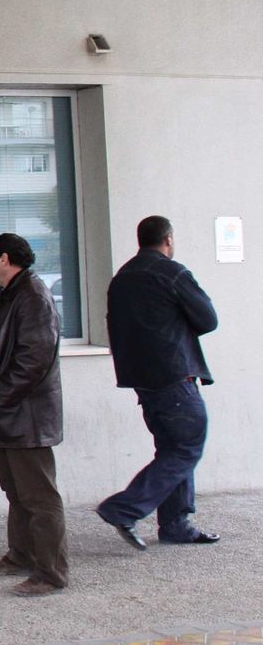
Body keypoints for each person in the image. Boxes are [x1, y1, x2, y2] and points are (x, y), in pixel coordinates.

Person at [97, 215, 220, 549]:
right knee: (186, 447)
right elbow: (208, 320)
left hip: (142, 380)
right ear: (168, 239)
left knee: (172, 448)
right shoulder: (173, 272)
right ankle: (123, 507)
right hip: (174, 376)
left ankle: (176, 525)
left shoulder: (121, 278)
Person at [0, 233, 68, 597]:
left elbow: (34, 358)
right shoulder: (12, 295)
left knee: (39, 495)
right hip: (11, 414)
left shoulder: (32, 295)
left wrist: (2, 398)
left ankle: (50, 573)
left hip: (26, 416)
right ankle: (20, 555)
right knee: (16, 490)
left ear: (5, 259)